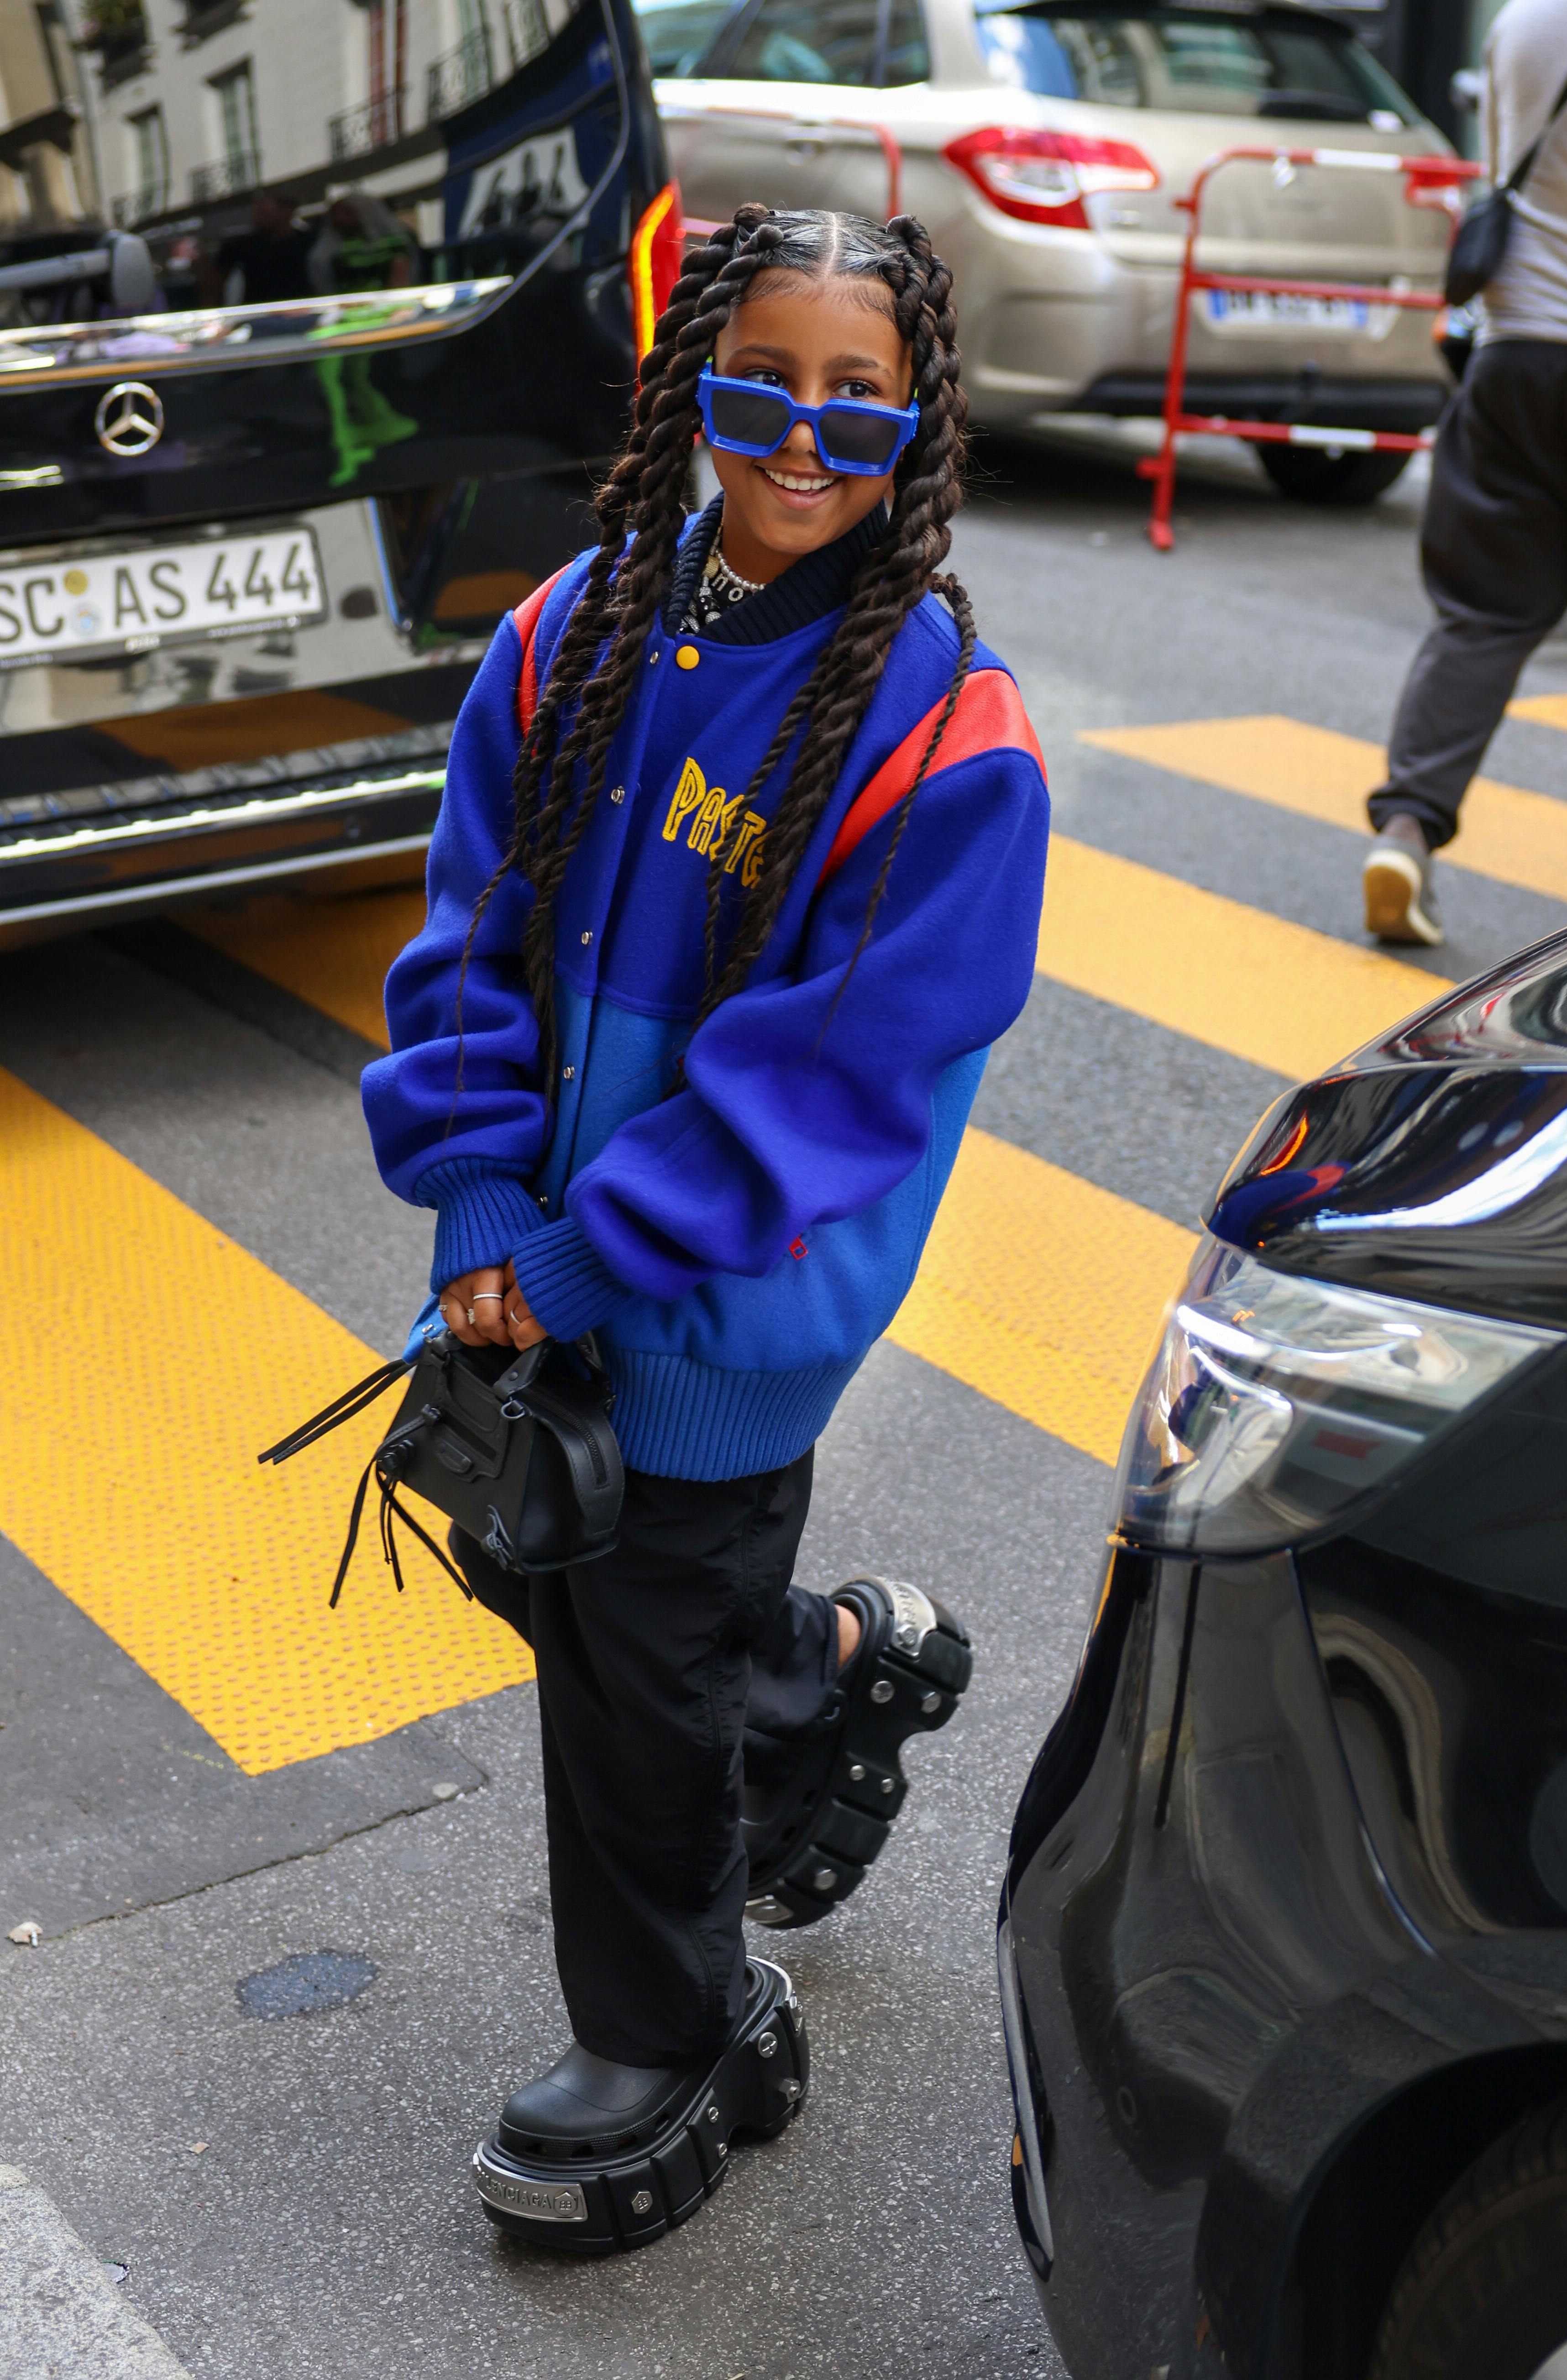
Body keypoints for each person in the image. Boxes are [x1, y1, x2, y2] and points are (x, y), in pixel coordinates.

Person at [361, 204, 1049, 2249]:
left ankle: (670, 2031)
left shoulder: (942, 728)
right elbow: (467, 944)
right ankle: (832, 1662)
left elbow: (824, 1083)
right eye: (761, 377)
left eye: (859, 395)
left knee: (636, 1661)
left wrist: (570, 1259)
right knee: (562, 1586)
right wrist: (483, 1200)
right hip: (529, 1249)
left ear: (916, 423)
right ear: (687, 378)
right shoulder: (562, 632)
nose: (802, 433)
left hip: (721, 1301)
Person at [1363, 0, 1567, 948]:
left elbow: (1505, 167)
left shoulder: (1519, 20)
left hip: (1517, 352)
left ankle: (1407, 830)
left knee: (1483, 617)